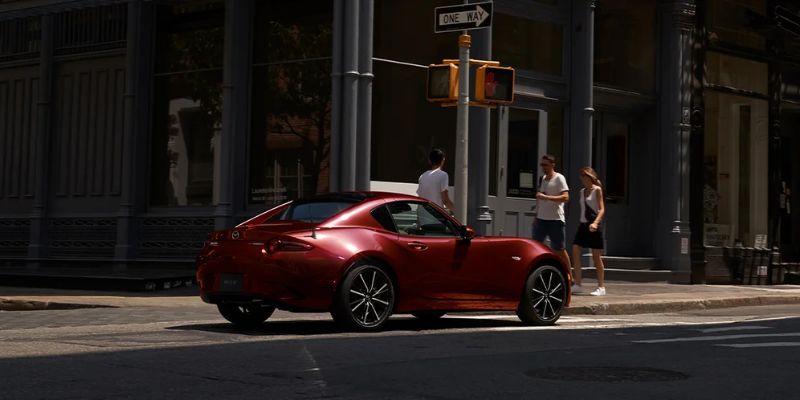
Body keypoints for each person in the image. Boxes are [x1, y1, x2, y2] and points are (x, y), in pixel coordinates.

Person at [533, 154, 572, 281]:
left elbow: (566, 197)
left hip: (555, 220)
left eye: (545, 165)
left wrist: (547, 198)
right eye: (542, 165)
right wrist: (536, 216)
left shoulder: (559, 178)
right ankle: (537, 275)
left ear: (552, 165)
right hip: (541, 219)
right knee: (536, 247)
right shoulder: (543, 179)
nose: (543, 167)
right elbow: (540, 199)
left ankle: (569, 276)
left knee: (559, 249)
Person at [571, 167, 607, 296]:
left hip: (594, 225)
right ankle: (578, 284)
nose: (582, 178)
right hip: (583, 225)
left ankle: (601, 287)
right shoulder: (582, 192)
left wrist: (596, 223)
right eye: (581, 176)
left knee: (596, 256)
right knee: (575, 250)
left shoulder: (597, 190)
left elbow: (602, 209)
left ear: (590, 177)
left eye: (584, 175)